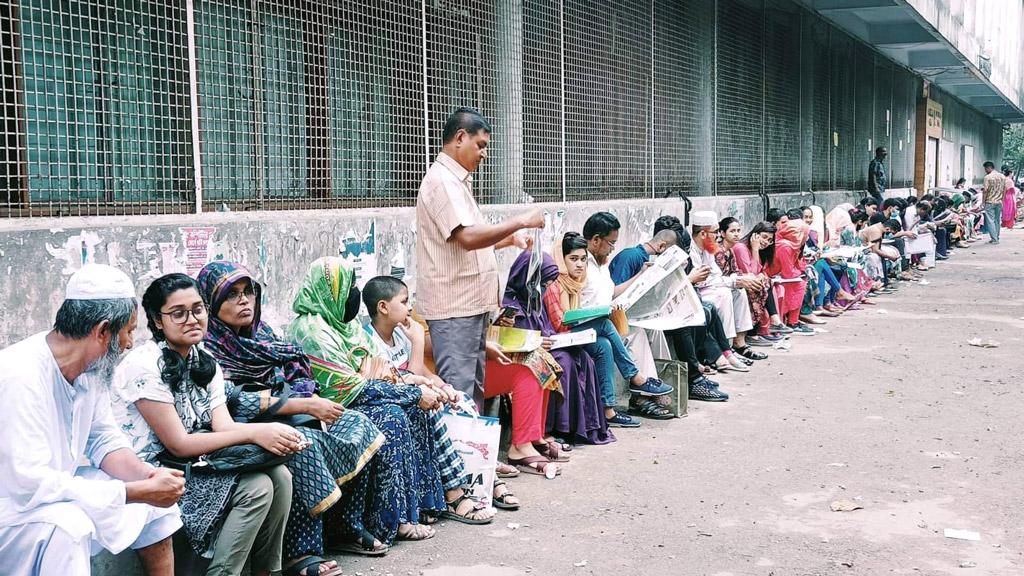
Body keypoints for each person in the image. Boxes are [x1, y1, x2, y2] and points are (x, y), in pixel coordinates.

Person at [195, 262, 388, 567]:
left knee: (357, 423)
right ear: (211, 304)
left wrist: (307, 398)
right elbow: (237, 403)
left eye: (248, 292)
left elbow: (295, 368)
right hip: (246, 426)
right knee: (299, 445)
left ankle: (345, 526)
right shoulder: (207, 348)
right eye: (231, 295)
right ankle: (301, 552)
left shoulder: (261, 332)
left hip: (290, 410)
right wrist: (306, 406)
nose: (244, 301)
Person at [0, 264, 183, 576]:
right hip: (13, 509)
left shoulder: (92, 370)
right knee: (70, 526)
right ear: (103, 330)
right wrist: (131, 492)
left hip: (51, 494)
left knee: (152, 505)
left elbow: (103, 439)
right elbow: (30, 485)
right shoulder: (20, 375)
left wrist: (145, 477)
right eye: (128, 331)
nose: (129, 343)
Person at [286, 257, 496, 530]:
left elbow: (382, 369)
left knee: (419, 405)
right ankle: (395, 519)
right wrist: (411, 392)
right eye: (346, 288)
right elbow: (347, 387)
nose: (353, 296)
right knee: (396, 413)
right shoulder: (312, 330)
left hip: (363, 394)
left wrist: (416, 384)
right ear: (329, 291)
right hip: (330, 408)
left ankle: (427, 502)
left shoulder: (344, 325)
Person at [112, 273, 294, 576]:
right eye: (178, 313)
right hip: (152, 470)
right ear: (158, 321)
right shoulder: (143, 366)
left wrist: (272, 433)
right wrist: (256, 431)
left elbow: (221, 425)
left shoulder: (204, 359)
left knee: (281, 475)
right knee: (257, 487)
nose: (192, 319)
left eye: (198, 309)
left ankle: (267, 571)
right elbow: (178, 443)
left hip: (194, 463)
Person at [363, 274, 557, 483]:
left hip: (428, 383)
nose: (409, 307)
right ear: (383, 307)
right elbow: (412, 376)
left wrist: (444, 386)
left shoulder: (401, 332)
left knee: (464, 400)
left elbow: (424, 375)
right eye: (404, 302)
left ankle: (486, 465)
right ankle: (470, 480)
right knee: (443, 411)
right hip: (410, 394)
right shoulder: (384, 337)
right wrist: (420, 341)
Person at [416, 107, 544, 410]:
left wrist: (509, 240)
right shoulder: (443, 182)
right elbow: (469, 237)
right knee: (457, 392)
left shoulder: (457, 182)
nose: (484, 154)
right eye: (481, 145)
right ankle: (461, 457)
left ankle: (477, 458)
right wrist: (520, 221)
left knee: (471, 387)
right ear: (460, 137)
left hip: (469, 305)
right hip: (453, 307)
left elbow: (467, 243)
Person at [546, 229, 671, 427]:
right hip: (558, 337)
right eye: (573, 259)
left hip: (573, 334)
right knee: (604, 323)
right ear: (561, 259)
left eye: (582, 259)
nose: (579, 264)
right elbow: (559, 323)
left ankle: (608, 410)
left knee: (604, 345)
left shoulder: (576, 282)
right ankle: (634, 376)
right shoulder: (556, 283)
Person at [495, 253, 615, 443]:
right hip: (523, 354)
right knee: (563, 362)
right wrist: (535, 341)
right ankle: (555, 428)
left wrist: (560, 338)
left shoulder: (535, 301)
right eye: (542, 284)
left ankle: (585, 426)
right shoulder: (509, 302)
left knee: (583, 358)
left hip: (545, 347)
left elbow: (547, 329)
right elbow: (506, 338)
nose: (543, 289)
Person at [689, 211, 763, 358]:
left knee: (739, 291)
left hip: (711, 287)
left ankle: (739, 343)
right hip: (696, 292)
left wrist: (739, 280)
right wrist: (735, 281)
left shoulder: (708, 248)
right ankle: (726, 348)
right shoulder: (691, 251)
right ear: (703, 234)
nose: (717, 236)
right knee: (725, 294)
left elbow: (716, 275)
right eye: (715, 232)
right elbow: (702, 280)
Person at [982, 161, 1004, 244]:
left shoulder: (987, 177)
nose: (985, 170)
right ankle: (996, 237)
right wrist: (1002, 199)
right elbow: (1004, 189)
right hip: (999, 201)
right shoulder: (1002, 176)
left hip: (990, 201)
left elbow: (985, 191)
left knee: (990, 220)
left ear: (989, 167)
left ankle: (994, 239)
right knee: (997, 220)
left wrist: (983, 202)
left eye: (985, 168)